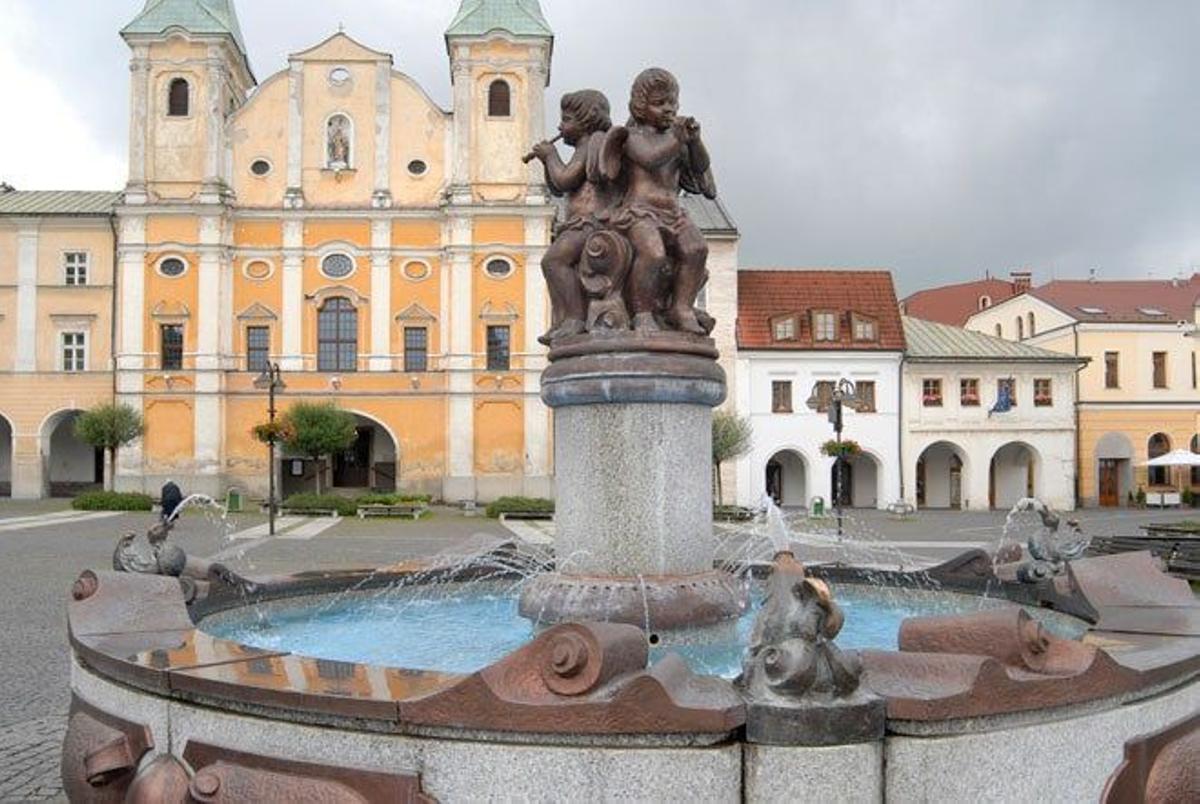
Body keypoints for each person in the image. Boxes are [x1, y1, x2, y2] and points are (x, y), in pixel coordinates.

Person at [602, 68, 716, 334]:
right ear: (641, 107)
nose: (668, 109)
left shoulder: (678, 140)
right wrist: (677, 139)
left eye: (672, 102)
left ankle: (682, 308)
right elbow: (650, 158)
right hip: (639, 212)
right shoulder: (631, 138)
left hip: (674, 213)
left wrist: (695, 142)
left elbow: (701, 170)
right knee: (653, 253)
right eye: (659, 103)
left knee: (697, 249)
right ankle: (643, 313)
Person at [528, 89, 618, 344]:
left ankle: (574, 319)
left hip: (589, 223)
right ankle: (564, 320)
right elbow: (557, 186)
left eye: (567, 119)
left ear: (588, 119)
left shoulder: (591, 143)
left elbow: (566, 179)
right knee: (553, 263)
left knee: (554, 261)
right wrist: (548, 163)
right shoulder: (584, 145)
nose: (560, 125)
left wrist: (550, 156)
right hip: (577, 224)